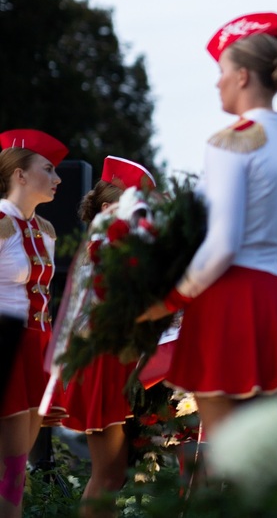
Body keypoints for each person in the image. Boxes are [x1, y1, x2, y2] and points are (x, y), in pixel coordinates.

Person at [136, 12, 277, 439]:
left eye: (221, 72)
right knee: (264, 453)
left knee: (225, 452)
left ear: (241, 76)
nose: (217, 83)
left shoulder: (231, 140)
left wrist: (169, 299)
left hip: (229, 301)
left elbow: (222, 245)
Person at [57, 157, 155, 513]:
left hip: (116, 358)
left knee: (113, 476)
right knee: (107, 476)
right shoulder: (104, 247)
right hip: (105, 360)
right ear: (108, 207)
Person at [0, 128, 66, 518]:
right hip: (6, 345)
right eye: (48, 169)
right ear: (20, 175)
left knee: (16, 468)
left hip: (37, 348)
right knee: (9, 463)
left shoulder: (46, 231)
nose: (57, 179)